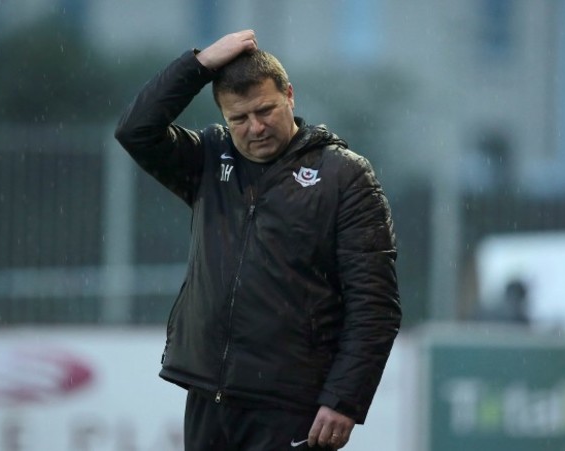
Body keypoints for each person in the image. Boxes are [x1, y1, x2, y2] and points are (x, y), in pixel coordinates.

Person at [115, 30, 401, 451]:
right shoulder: (210, 158)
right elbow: (136, 130)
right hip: (209, 397)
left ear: (290, 95)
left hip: (291, 405)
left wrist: (343, 400)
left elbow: (374, 306)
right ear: (223, 118)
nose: (256, 127)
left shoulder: (345, 177)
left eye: (266, 110)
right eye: (239, 119)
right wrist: (200, 64)